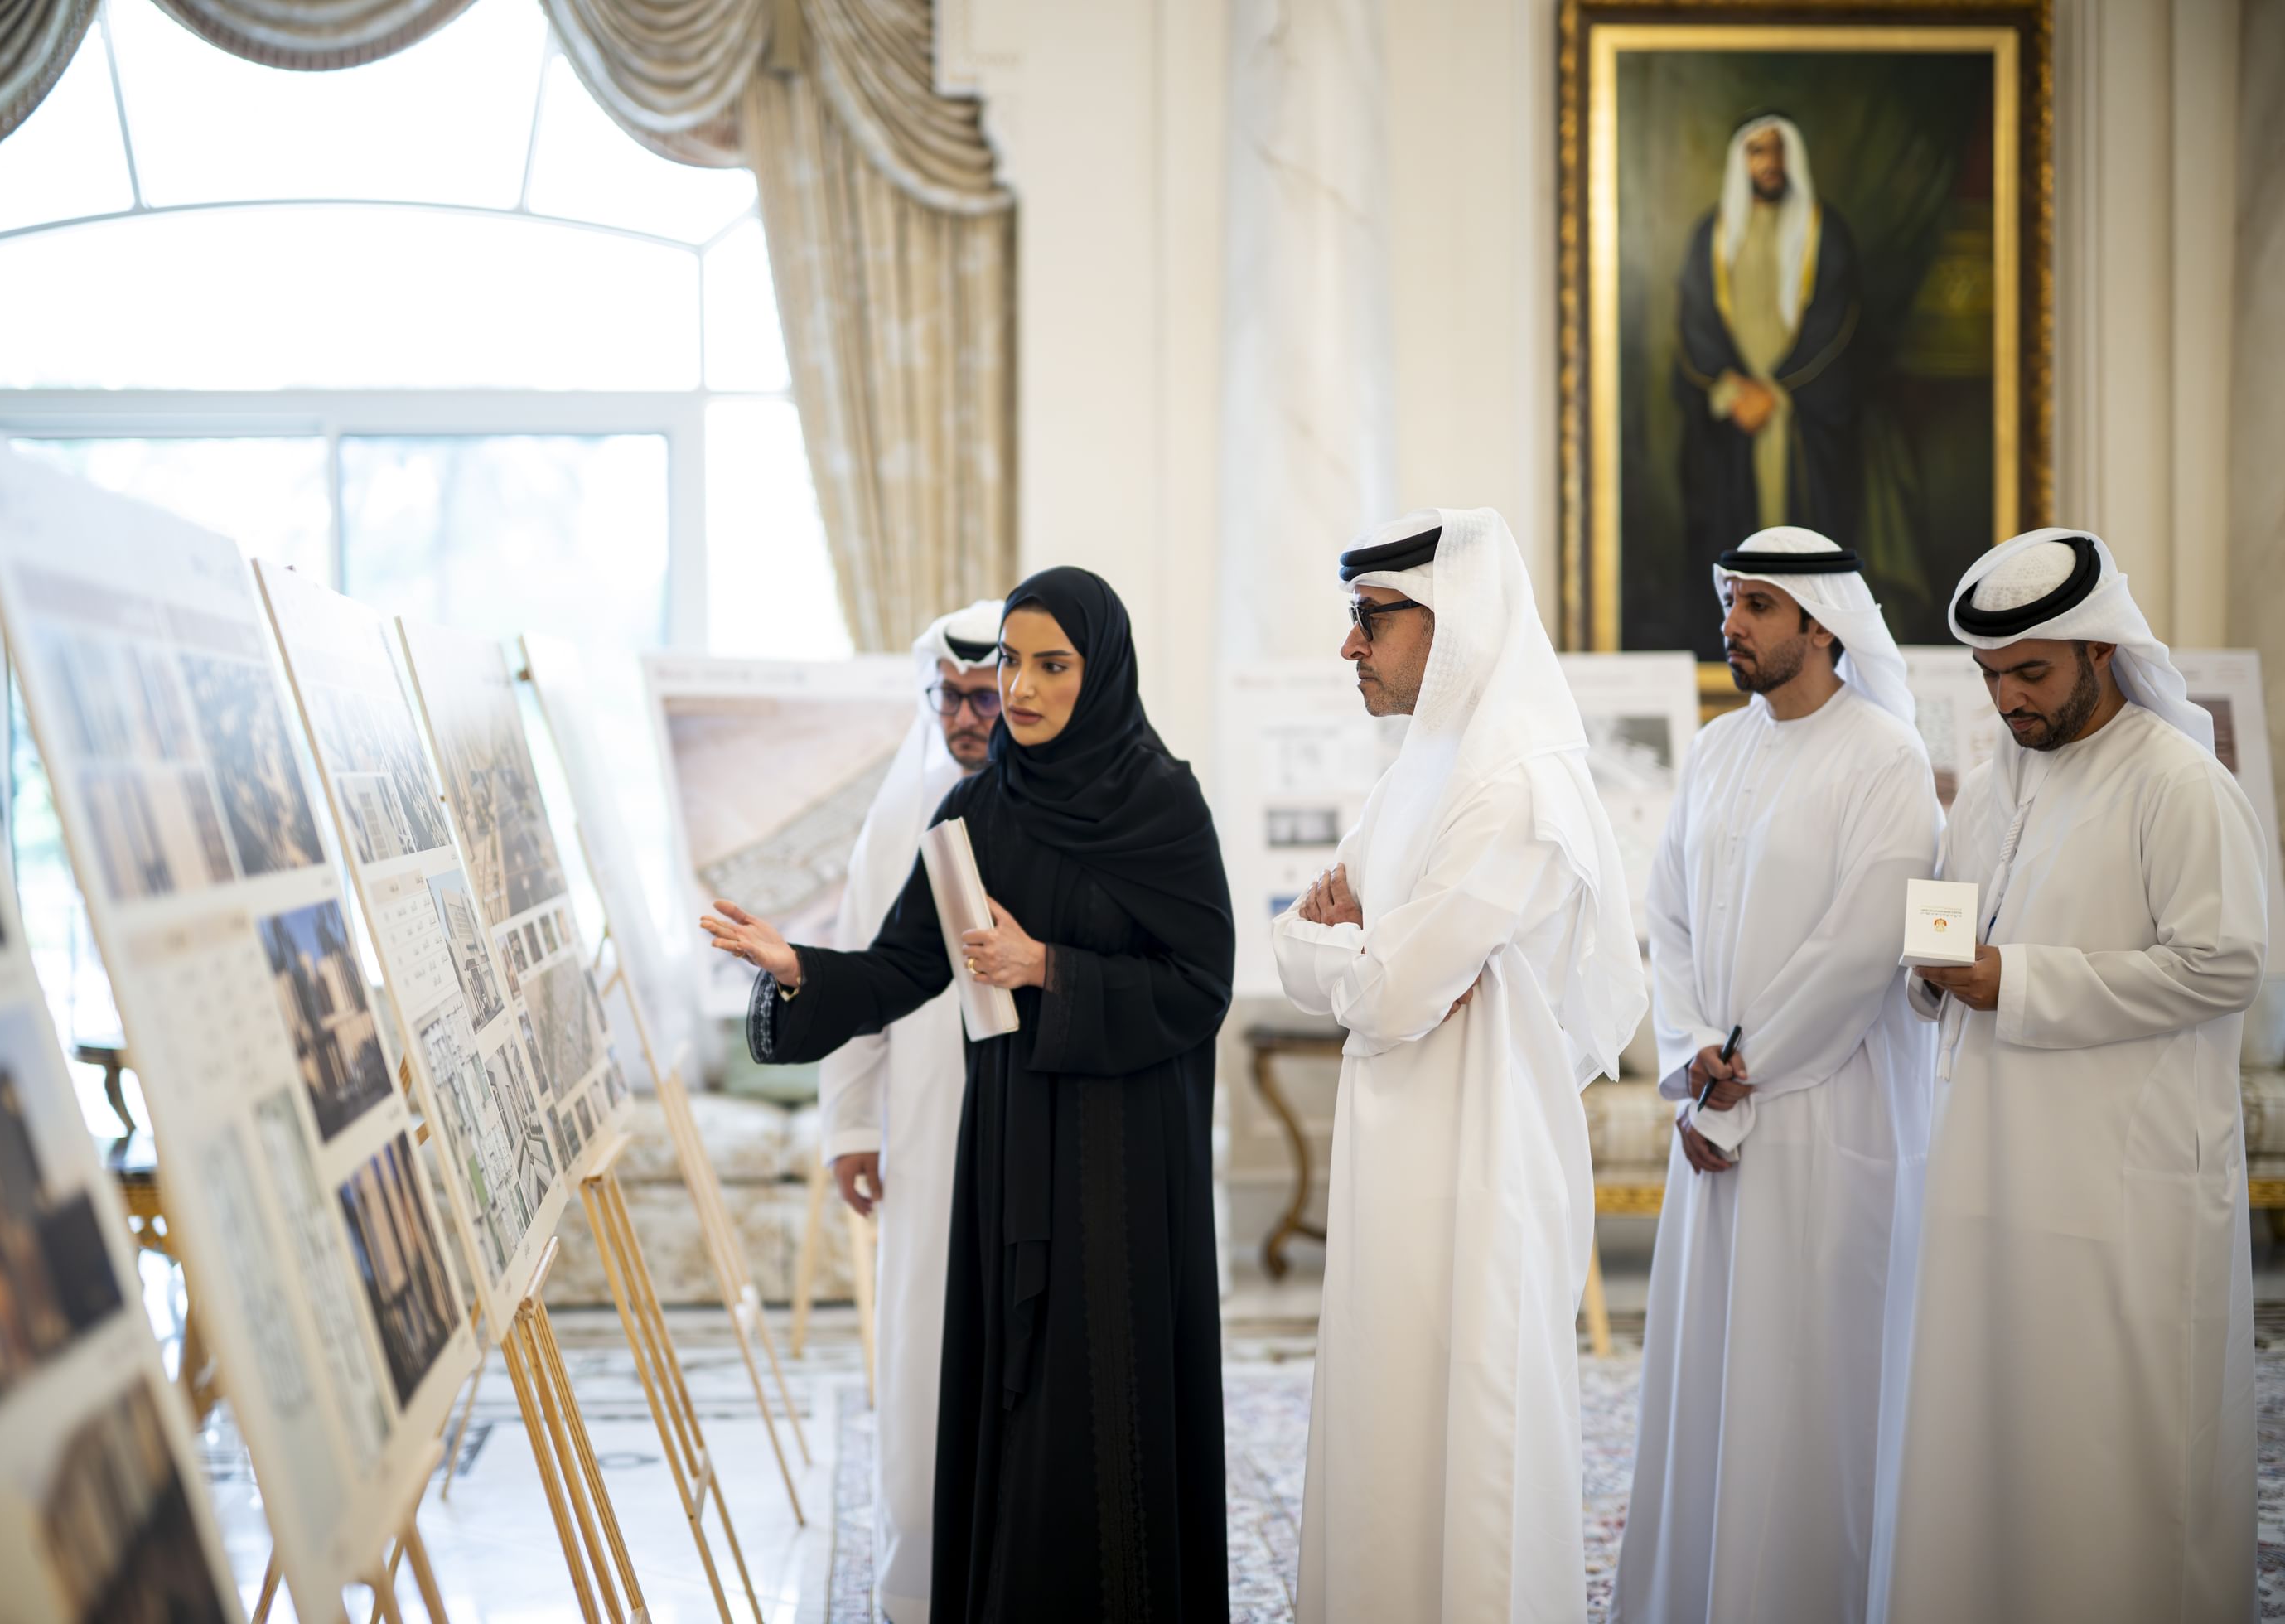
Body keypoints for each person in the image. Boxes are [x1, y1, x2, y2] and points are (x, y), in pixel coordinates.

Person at [702, 568, 1234, 1624]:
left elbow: (1200, 984)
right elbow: (905, 965)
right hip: (1013, 1145)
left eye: (1051, 665)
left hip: (1123, 1158)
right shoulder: (979, 808)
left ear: (1101, 671)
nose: (1020, 689)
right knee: (1018, 1391)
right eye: (1011, 662)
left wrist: (1048, 968)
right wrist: (800, 967)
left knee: (1108, 1392)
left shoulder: (1162, 803)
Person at [1869, 529, 2268, 1624]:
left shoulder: (2178, 784)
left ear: (2101, 649)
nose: (2008, 700)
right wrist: (1936, 977)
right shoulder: (1993, 785)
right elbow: (1953, 937)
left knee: (2106, 1459)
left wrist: (2017, 980)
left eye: (2031, 673)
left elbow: (2223, 965)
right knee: (1986, 1432)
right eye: (1991, 676)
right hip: (1985, 1173)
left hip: (2116, 1192)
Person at [1272, 508, 1647, 1622]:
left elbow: (1389, 990)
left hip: (1482, 1154)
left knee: (1475, 1429)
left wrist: (1349, 951)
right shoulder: (1423, 767)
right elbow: (1304, 946)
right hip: (1391, 1144)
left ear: (1456, 620)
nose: (1350, 646)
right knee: (1385, 1412)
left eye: (1371, 619)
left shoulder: (1515, 782)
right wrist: (1350, 952)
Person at [1609, 527, 1940, 1624]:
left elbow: (1862, 945)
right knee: (1710, 1381)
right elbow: (1666, 915)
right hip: (1713, 1115)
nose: (1731, 623)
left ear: (1820, 624)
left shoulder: (1884, 757)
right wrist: (1691, 1052)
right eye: (1730, 601)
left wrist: (1743, 1074)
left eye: (1756, 605)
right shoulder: (1716, 749)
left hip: (1822, 1119)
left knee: (1807, 1387)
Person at [814, 598, 1003, 1624]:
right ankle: (926, 1571)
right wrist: (851, 1126)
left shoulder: (1053, 808)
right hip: (927, 1133)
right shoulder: (900, 817)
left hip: (1034, 1116)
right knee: (926, 1334)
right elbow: (857, 977)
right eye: (950, 698)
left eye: (984, 698)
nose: (966, 718)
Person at [1674, 112, 1865, 659]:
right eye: (1758, 151)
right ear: (1742, 160)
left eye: (1778, 150)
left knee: (1810, 538)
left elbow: (1835, 322)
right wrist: (1735, 390)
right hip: (1735, 413)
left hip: (1804, 414)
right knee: (1729, 529)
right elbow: (1695, 323)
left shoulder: (1825, 231)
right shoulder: (1711, 235)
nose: (1769, 163)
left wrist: (1779, 390)